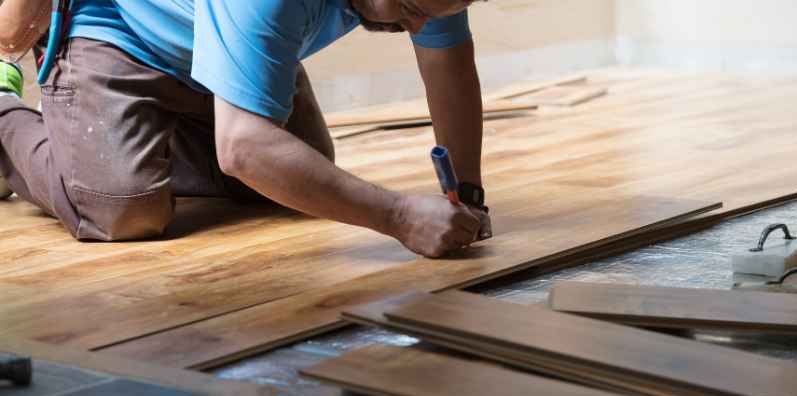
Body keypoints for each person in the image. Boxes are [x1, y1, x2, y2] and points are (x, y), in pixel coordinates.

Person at [0, 0, 491, 258]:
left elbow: (446, 62)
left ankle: (141, 133)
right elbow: (242, 150)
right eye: (409, 12)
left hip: (214, 44)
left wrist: (466, 193)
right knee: (125, 211)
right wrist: (400, 216)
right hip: (121, 35)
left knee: (291, 182)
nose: (421, 26)